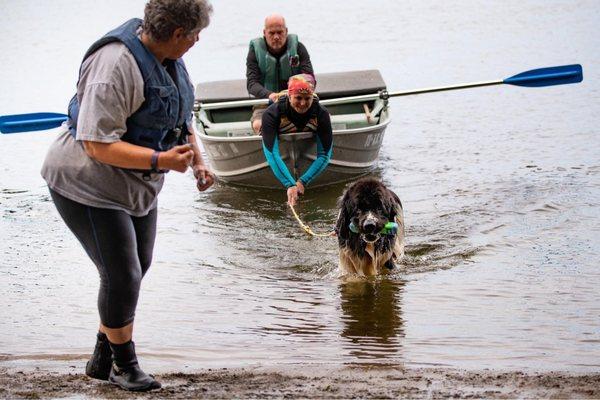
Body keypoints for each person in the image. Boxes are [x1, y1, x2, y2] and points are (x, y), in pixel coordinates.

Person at [40, 0, 214, 392]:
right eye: (195, 34)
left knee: (139, 265)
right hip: (86, 182)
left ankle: (103, 354)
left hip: (136, 185)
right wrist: (161, 159)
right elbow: (96, 143)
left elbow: (180, 117)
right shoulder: (115, 66)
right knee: (122, 275)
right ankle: (124, 365)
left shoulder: (169, 57)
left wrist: (198, 162)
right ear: (176, 34)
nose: (197, 40)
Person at [261, 74, 333, 206]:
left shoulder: (321, 113)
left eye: (307, 98)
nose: (303, 103)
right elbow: (272, 153)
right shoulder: (271, 114)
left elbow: (324, 155)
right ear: (289, 96)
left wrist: (302, 181)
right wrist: (290, 184)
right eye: (298, 98)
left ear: (313, 97)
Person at [246, 13, 314, 133]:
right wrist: (270, 95)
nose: (276, 37)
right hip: (266, 102)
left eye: (280, 32)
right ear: (264, 33)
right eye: (271, 33)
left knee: (323, 119)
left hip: (298, 99)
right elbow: (252, 84)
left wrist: (295, 93)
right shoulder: (254, 52)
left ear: (286, 31)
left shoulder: (298, 48)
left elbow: (310, 77)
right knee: (258, 124)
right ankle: (271, 149)